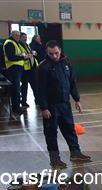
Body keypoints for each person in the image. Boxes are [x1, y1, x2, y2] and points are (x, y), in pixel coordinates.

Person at [37, 40, 91, 168]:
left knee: (70, 130)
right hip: (51, 106)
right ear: (47, 52)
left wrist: (77, 100)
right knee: (51, 134)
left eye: (56, 53)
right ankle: (55, 160)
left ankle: (75, 153)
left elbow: (72, 83)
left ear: (60, 51)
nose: (54, 56)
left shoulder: (66, 63)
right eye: (51, 54)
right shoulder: (43, 67)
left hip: (65, 104)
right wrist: (44, 107)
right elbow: (40, 89)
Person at [3, 30, 27, 114]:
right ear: (12, 35)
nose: (18, 37)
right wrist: (23, 57)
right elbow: (11, 57)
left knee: (17, 88)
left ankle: (17, 107)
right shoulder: (9, 43)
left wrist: (24, 56)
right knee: (15, 89)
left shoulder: (15, 43)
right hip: (13, 68)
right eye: (16, 35)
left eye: (18, 35)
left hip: (18, 67)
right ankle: (15, 108)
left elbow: (18, 54)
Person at [19, 32, 38, 107]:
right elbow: (22, 55)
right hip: (25, 69)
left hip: (32, 68)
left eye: (26, 37)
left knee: (35, 85)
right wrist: (27, 55)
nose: (25, 38)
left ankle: (38, 100)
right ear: (20, 38)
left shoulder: (27, 45)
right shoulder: (19, 45)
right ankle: (23, 101)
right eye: (23, 37)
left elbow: (30, 54)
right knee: (24, 86)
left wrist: (33, 53)